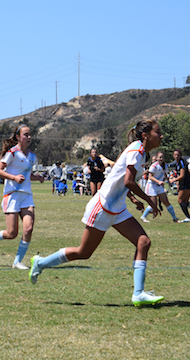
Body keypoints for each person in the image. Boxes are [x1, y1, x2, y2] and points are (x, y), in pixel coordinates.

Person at [29, 120, 165, 307]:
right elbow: (128, 181)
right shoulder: (137, 149)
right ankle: (41, 263)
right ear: (145, 135)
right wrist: (149, 200)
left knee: (143, 242)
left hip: (117, 208)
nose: (161, 136)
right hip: (102, 207)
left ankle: (138, 294)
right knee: (83, 252)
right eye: (158, 132)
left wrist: (133, 199)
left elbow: (121, 180)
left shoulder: (141, 152)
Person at [0, 124, 45, 270]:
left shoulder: (32, 156)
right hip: (12, 195)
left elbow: (27, 176)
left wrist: (37, 178)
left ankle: (17, 261)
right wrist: (13, 177)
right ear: (18, 137)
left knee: (28, 228)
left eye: (30, 135)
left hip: (27, 195)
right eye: (26, 135)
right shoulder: (12, 153)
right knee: (11, 233)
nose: (29, 137)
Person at [140, 151, 179, 223]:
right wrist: (158, 181)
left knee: (166, 202)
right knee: (154, 204)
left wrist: (169, 181)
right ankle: (143, 217)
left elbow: (165, 175)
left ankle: (175, 218)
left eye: (162, 157)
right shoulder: (154, 166)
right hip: (151, 186)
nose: (161, 159)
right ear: (157, 158)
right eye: (160, 157)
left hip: (159, 186)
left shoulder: (165, 165)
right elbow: (150, 176)